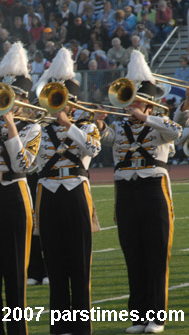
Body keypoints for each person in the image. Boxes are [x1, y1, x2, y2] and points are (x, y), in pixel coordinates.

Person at [95, 51, 182, 334]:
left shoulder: (160, 121)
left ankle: (156, 317)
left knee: (156, 254)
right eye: (129, 97)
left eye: (137, 98)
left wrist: (146, 118)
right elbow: (105, 140)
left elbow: (176, 132)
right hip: (126, 191)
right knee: (132, 253)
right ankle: (138, 316)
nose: (131, 102)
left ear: (148, 101)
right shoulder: (120, 126)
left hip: (153, 188)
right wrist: (99, 124)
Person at [0, 42, 41, 335]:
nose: (9, 102)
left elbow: (22, 164)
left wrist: (12, 127)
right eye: (6, 96)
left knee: (14, 273)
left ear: (24, 100)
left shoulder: (33, 129)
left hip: (15, 196)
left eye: (14, 98)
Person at [34, 48, 101, 335]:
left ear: (73, 102)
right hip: (48, 192)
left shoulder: (85, 125)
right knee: (55, 264)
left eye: (64, 99)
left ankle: (81, 327)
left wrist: (69, 125)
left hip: (75, 191)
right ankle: (60, 326)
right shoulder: (38, 127)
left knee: (79, 264)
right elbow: (30, 161)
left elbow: (94, 149)